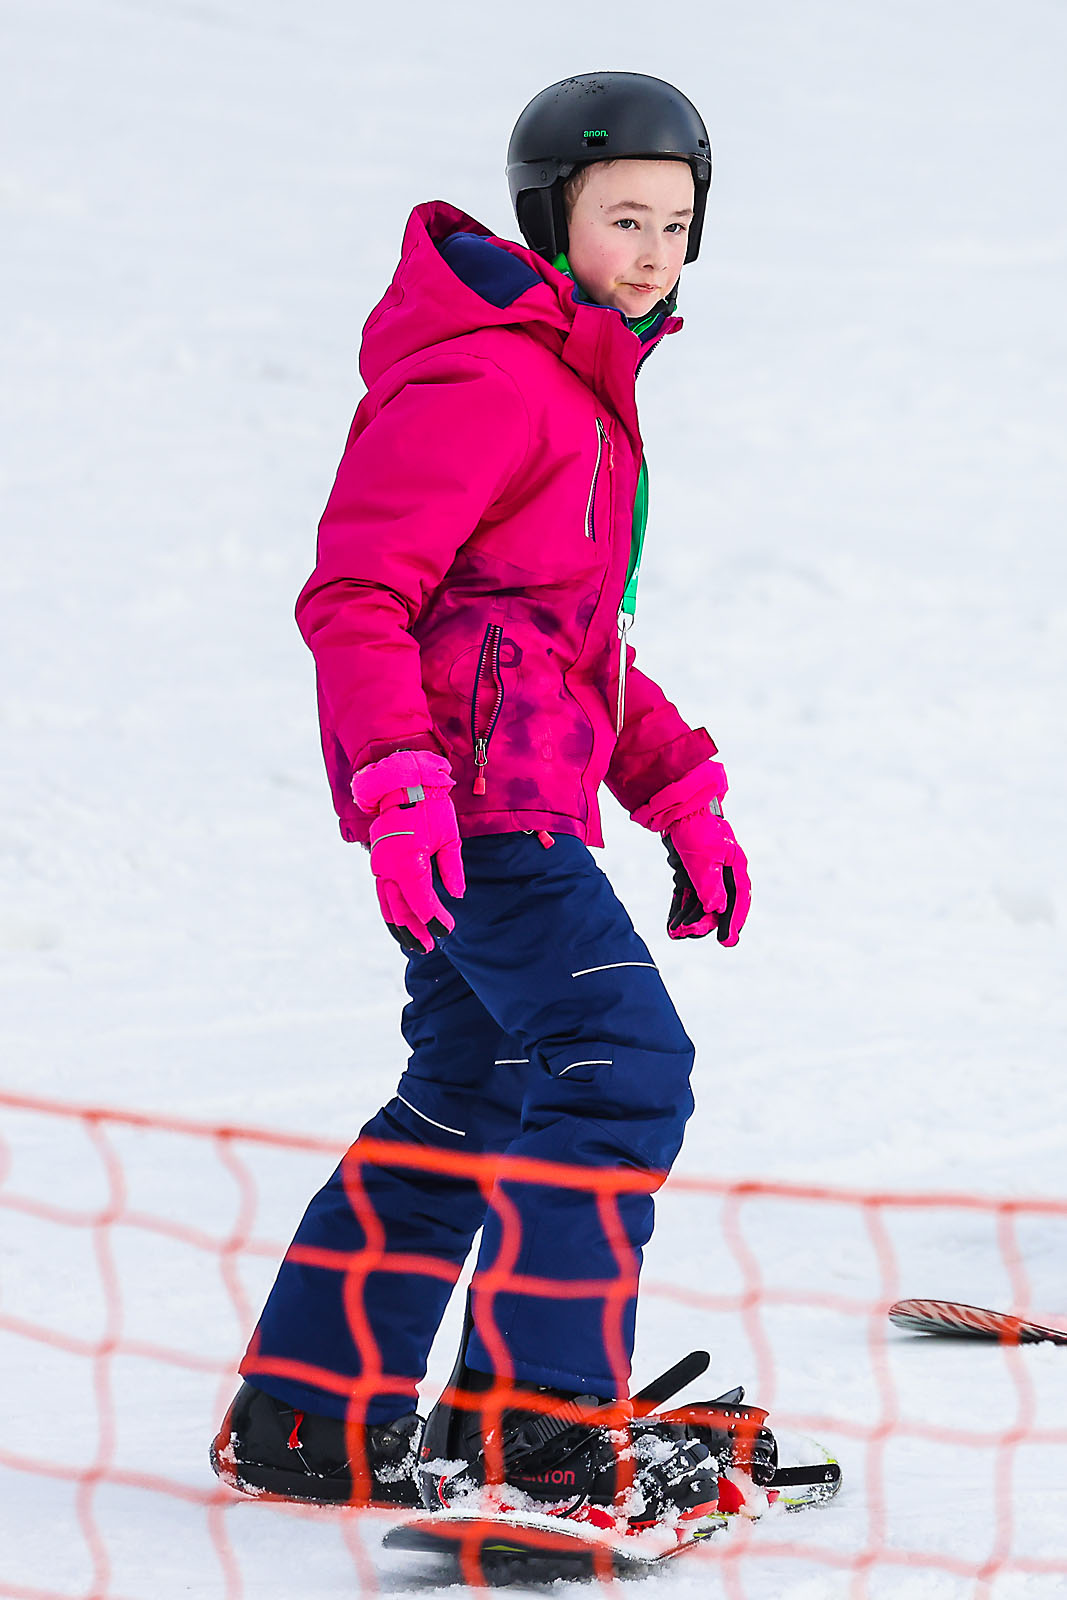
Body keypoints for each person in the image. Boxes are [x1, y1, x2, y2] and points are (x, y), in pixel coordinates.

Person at [211, 71, 753, 1532]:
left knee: (474, 1091)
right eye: (623, 216)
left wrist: (679, 793)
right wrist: (397, 782)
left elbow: (576, 647)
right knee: (619, 1067)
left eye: (678, 226)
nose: (652, 252)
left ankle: (311, 1415)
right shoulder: (486, 376)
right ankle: (539, 1435)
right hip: (476, 811)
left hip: (513, 799)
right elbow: (358, 592)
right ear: (551, 214)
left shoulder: (581, 397)